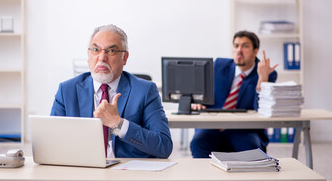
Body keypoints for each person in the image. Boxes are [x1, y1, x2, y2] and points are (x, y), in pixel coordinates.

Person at [50, 24, 173, 159]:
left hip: (128, 173)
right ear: (88, 55)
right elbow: (51, 143)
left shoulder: (145, 91)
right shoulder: (67, 90)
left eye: (111, 51)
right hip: (82, 170)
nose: (102, 58)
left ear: (124, 58)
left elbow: (163, 146)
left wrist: (118, 124)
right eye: (96, 49)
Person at [190, 30, 278, 158]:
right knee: (198, 142)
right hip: (213, 126)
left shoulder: (266, 73)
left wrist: (262, 81)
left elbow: (261, 110)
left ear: (255, 51)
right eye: (236, 46)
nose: (239, 50)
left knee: (252, 149)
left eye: (245, 46)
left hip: (244, 130)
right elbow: (200, 90)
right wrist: (197, 102)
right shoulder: (219, 65)